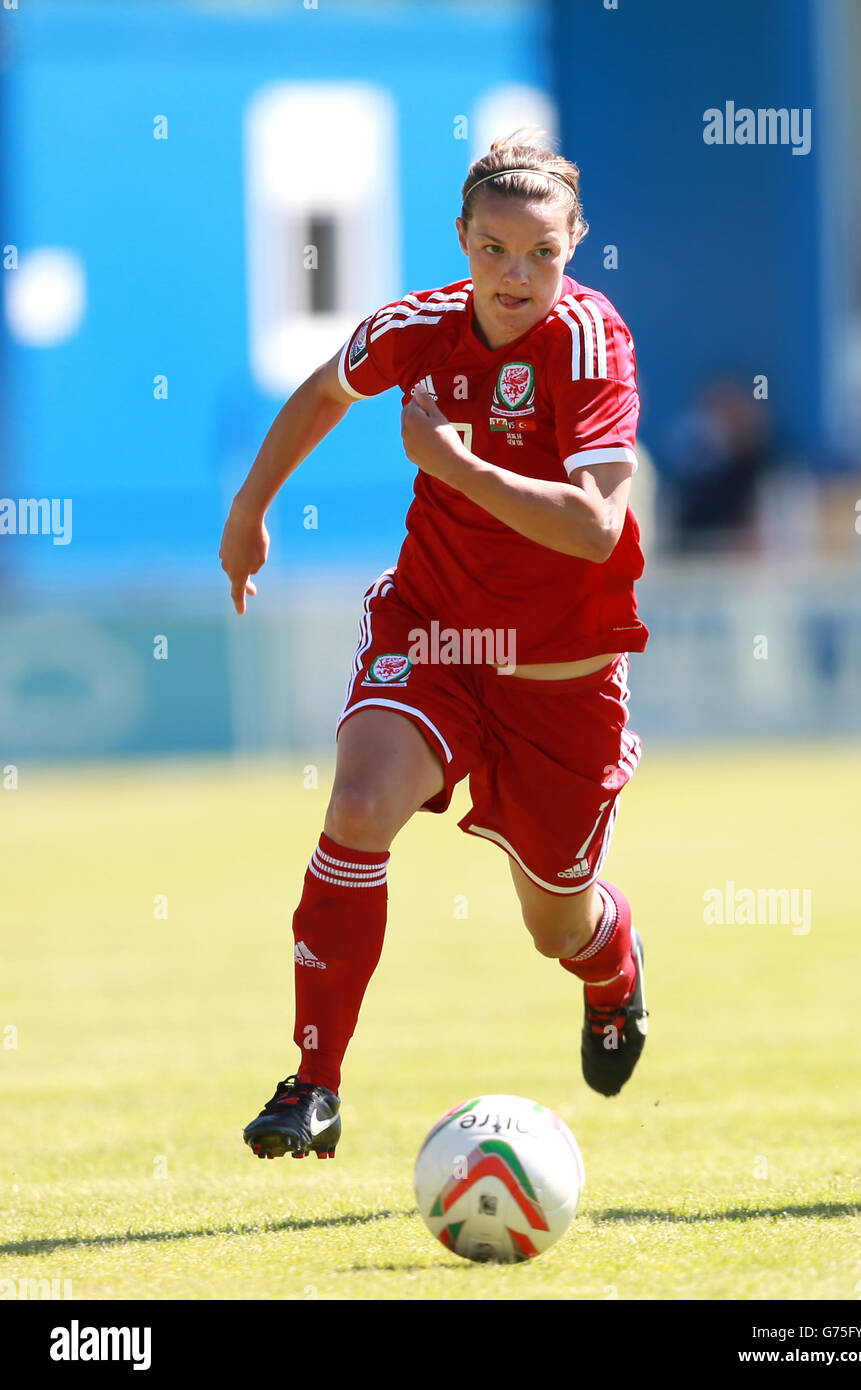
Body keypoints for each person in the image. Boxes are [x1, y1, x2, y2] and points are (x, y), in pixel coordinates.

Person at [219, 128, 650, 1162]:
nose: (516, 274)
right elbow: (326, 388)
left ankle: (610, 969)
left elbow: (593, 525)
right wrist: (249, 508)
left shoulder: (591, 345)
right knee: (359, 803)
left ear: (575, 243)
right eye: (495, 249)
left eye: (542, 253)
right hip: (436, 632)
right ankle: (312, 1082)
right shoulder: (415, 328)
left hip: (560, 676)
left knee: (555, 922)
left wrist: (457, 470)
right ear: (461, 240)